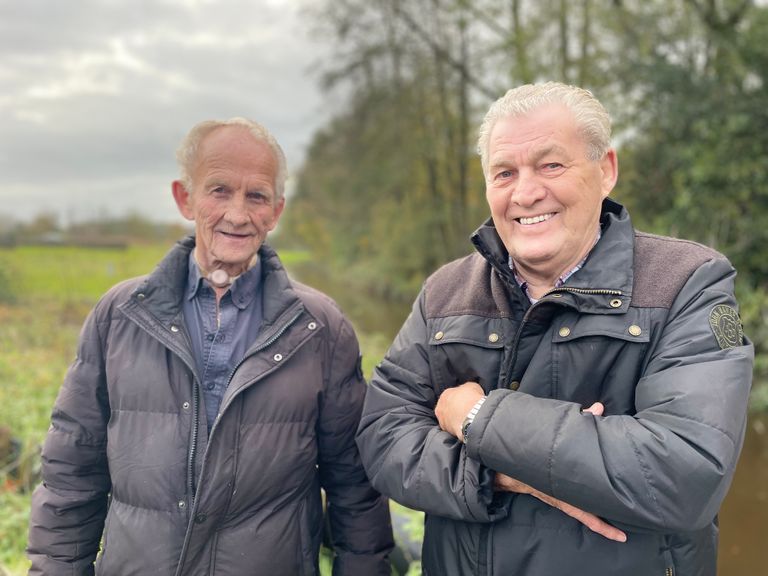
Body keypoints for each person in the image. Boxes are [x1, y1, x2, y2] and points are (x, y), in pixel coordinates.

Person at [356, 82, 753, 576]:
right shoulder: (446, 292)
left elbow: (684, 474)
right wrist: (496, 474)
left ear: (606, 170)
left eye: (551, 165)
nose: (526, 192)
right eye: (505, 173)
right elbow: (382, 436)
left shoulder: (686, 283)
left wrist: (475, 416)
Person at [27, 117, 393, 575]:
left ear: (276, 211)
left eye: (256, 196)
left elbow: (355, 490)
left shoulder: (321, 328)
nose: (238, 215)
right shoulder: (117, 316)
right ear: (186, 198)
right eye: (219, 190)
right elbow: (71, 475)